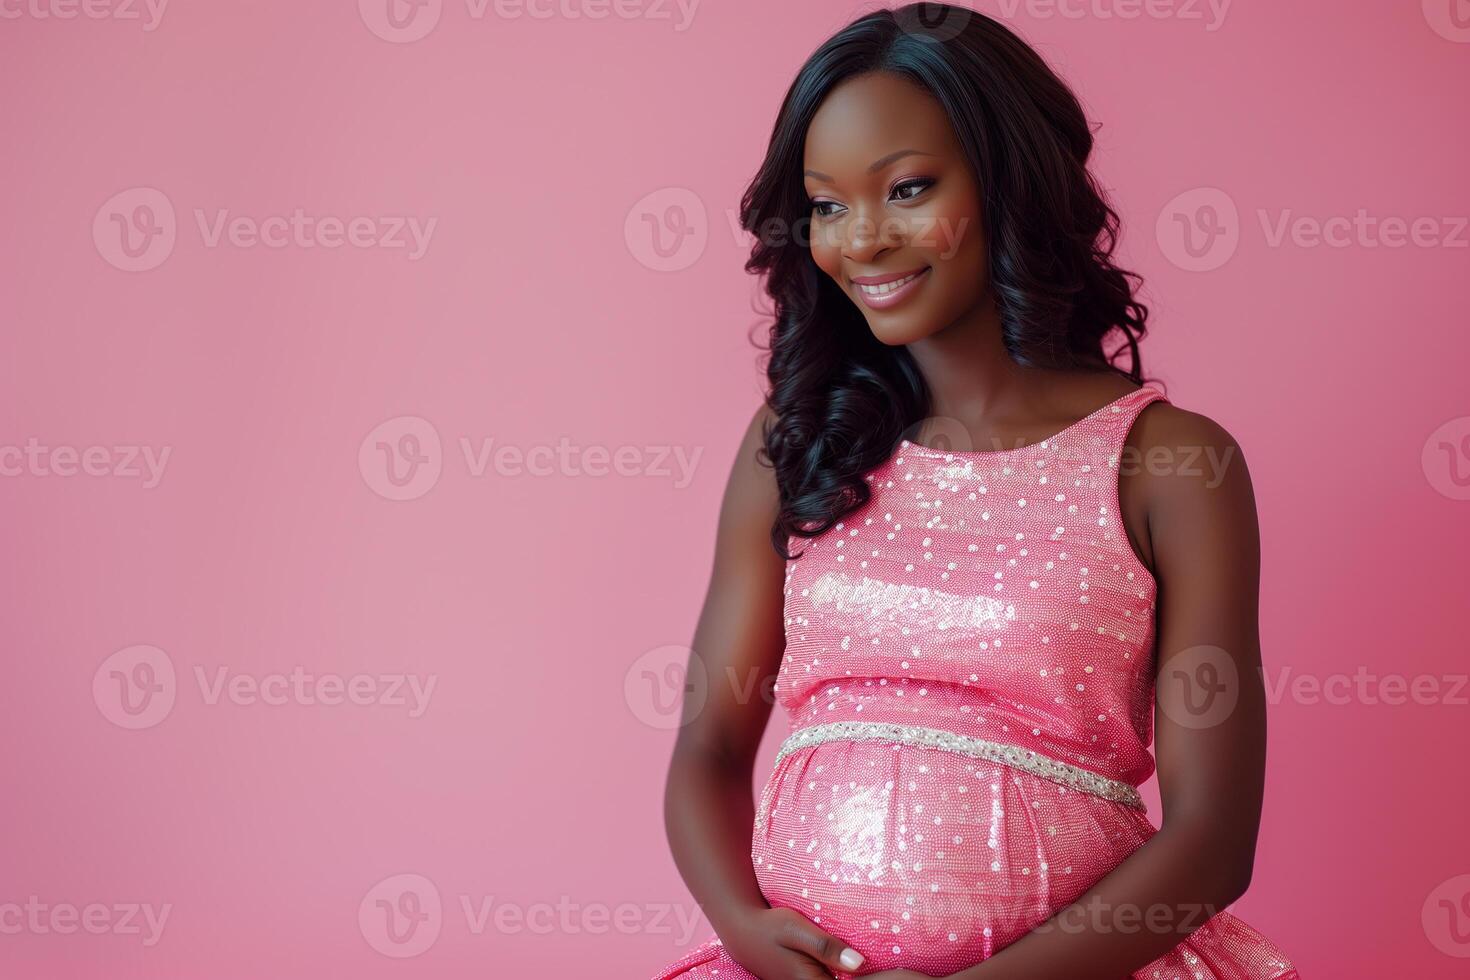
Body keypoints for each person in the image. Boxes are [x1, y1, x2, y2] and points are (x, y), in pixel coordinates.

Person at [653, 5, 1299, 978]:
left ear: (1010, 180)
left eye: (907, 188)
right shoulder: (794, 446)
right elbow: (705, 751)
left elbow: (1212, 840)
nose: (862, 239)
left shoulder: (1171, 465)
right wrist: (749, 930)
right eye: (827, 204)